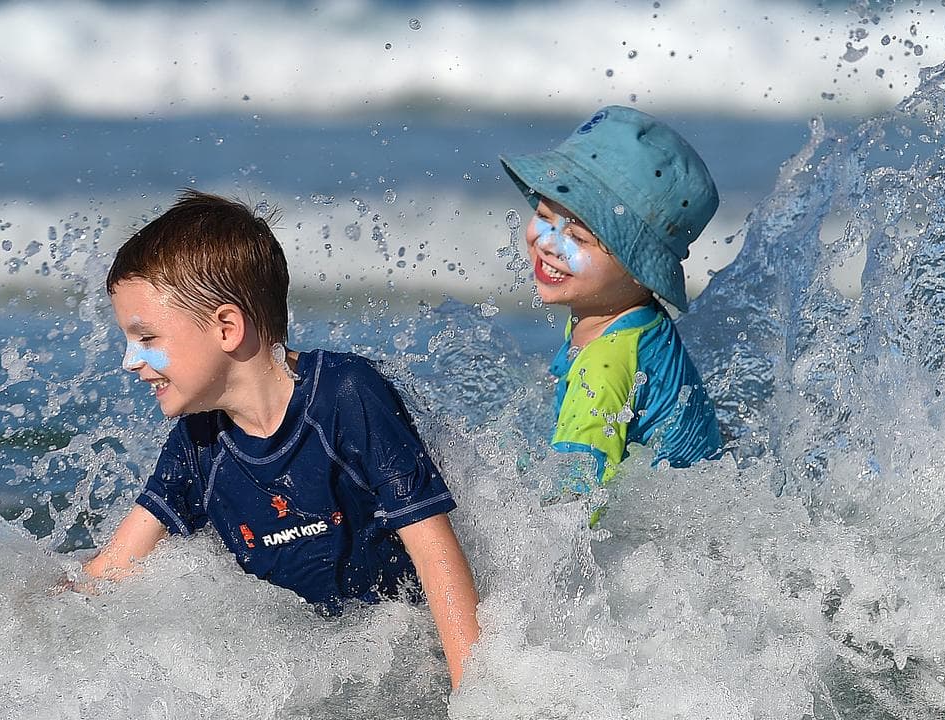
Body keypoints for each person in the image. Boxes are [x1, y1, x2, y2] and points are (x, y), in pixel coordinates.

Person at [80, 190, 480, 688]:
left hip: (413, 657)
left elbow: (434, 552)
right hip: (318, 676)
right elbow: (113, 571)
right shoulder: (197, 440)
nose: (129, 361)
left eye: (147, 338)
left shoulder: (345, 397)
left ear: (226, 327)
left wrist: (477, 697)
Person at [499, 106, 723, 519]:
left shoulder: (605, 367)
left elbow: (573, 507)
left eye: (579, 238)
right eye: (545, 217)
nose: (549, 244)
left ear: (641, 270)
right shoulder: (628, 319)